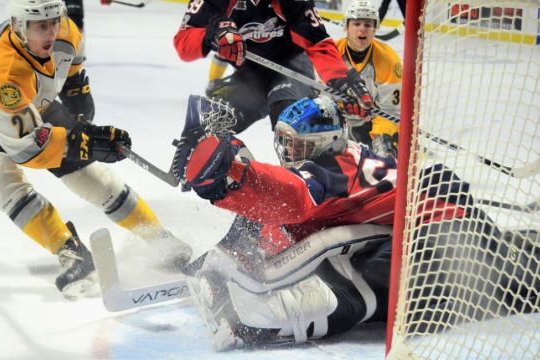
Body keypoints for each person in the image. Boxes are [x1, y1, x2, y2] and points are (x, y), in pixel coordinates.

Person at [171, 94, 538, 350]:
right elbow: (272, 215)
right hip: (418, 226)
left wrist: (228, 175)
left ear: (325, 141)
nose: (287, 153)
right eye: (282, 142)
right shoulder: (331, 164)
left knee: (494, 285)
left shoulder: (333, 167)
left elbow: (291, 198)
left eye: (295, 145)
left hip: (439, 229)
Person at [0, 0, 192, 300]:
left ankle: (158, 237)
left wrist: (76, 87)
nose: (51, 32)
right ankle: (69, 251)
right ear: (19, 27)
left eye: (54, 22)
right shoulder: (1, 74)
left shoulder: (66, 31)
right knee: (0, 179)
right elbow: (31, 149)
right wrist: (86, 141)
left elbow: (72, 65)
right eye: (41, 26)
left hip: (30, 101)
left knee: (87, 173)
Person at [173, 0, 374, 135]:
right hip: (250, 75)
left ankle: (314, 182)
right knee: (210, 126)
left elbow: (317, 42)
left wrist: (341, 78)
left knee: (291, 123)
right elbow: (183, 44)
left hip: (290, 67)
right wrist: (212, 33)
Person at [336, 0, 402, 158]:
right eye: (356, 23)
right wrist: (340, 108)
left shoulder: (389, 59)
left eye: (368, 25)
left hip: (370, 122)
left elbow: (391, 111)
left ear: (375, 29)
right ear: (346, 27)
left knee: (385, 157)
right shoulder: (332, 53)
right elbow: (320, 98)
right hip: (337, 122)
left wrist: (381, 137)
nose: (362, 29)